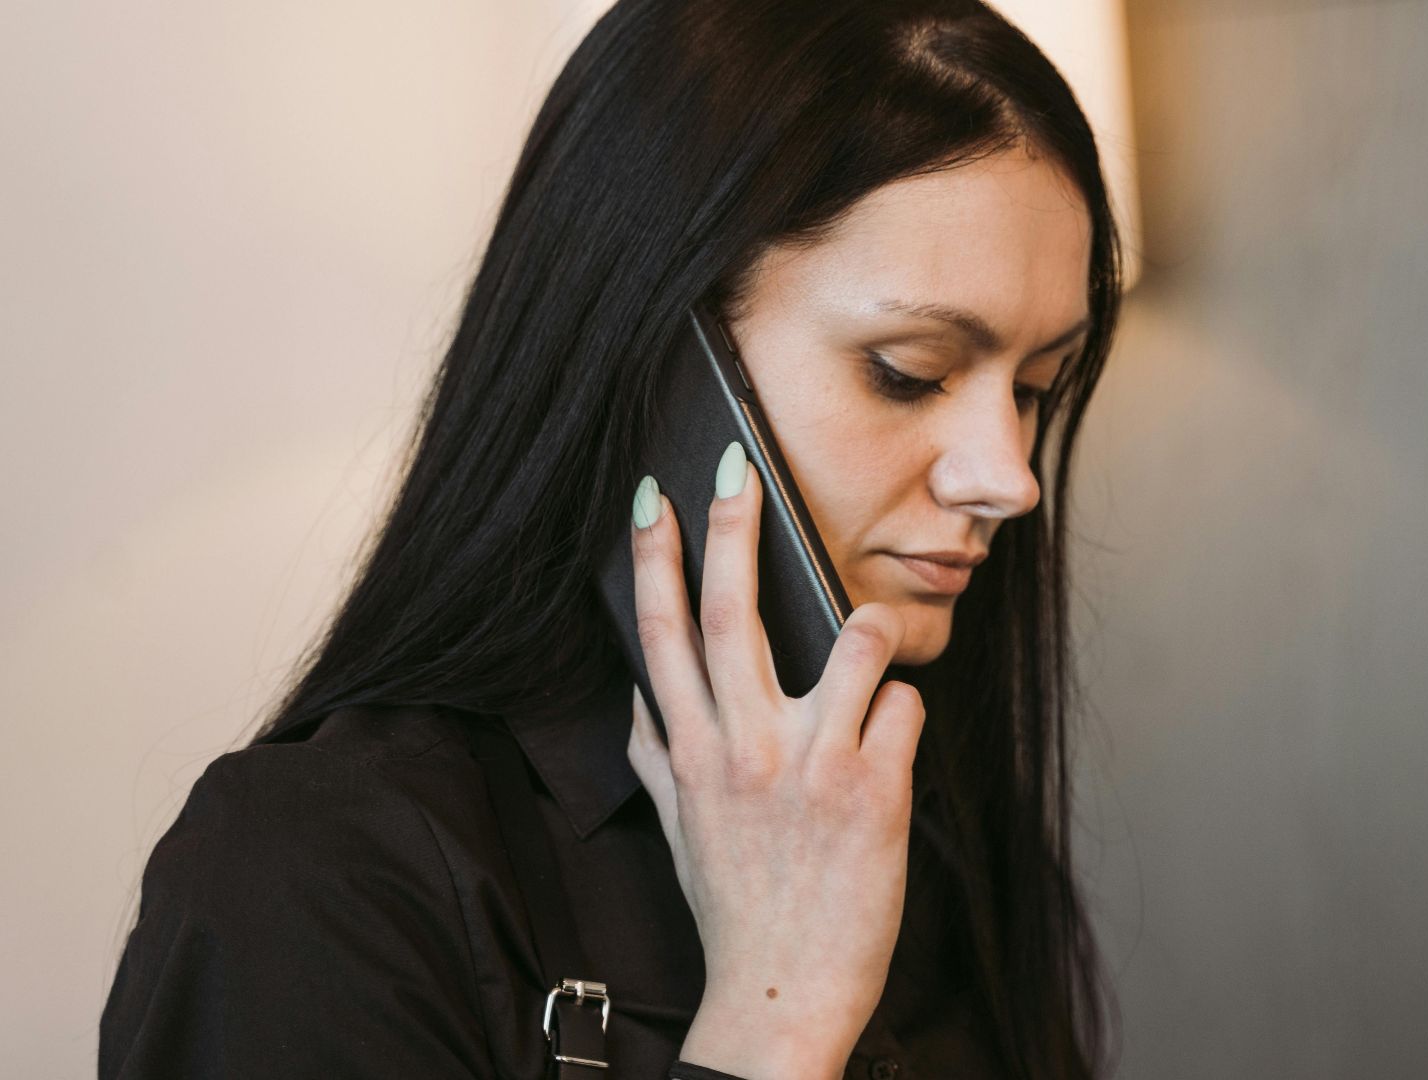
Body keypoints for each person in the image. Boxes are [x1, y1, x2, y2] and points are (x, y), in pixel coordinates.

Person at [98, 0, 1125, 1076]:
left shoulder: (928, 827)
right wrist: (779, 1014)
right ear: (664, 364)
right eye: (907, 371)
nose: (1008, 477)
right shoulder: (313, 870)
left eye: (1038, 388)